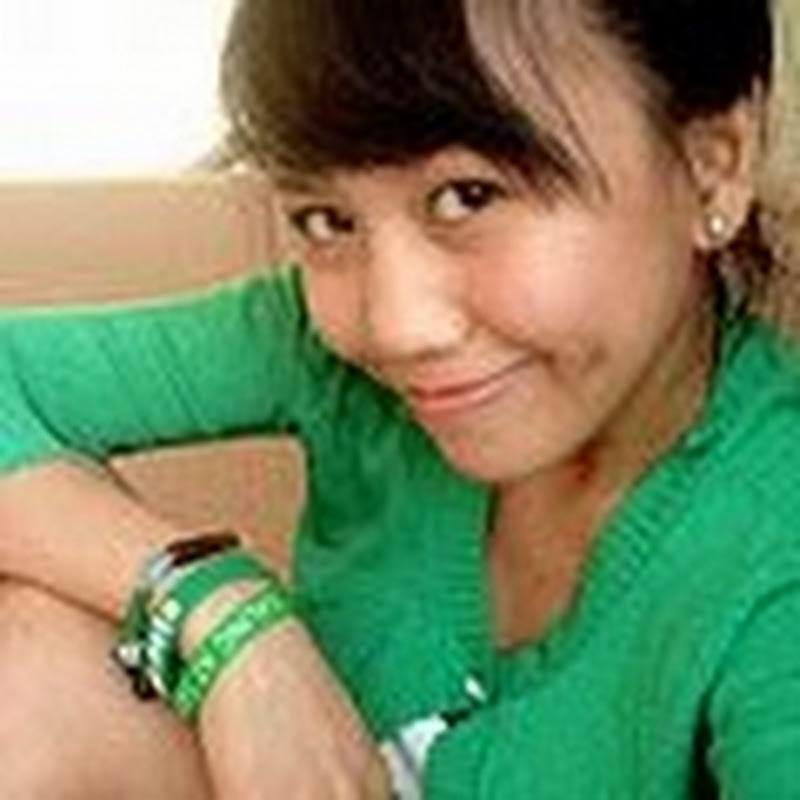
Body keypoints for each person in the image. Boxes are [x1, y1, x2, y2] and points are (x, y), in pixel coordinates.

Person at [0, 0, 797, 797]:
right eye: (327, 220)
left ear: (712, 164)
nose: (396, 325)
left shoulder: (771, 545)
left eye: (469, 196)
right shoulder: (316, 351)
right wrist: (219, 616)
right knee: (38, 661)